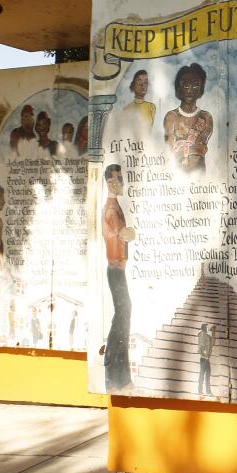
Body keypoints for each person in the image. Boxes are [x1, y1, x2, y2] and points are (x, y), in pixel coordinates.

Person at [102, 164, 135, 390]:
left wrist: (127, 234)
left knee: (123, 317)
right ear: (111, 182)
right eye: (119, 179)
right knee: (122, 317)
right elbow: (120, 234)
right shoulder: (112, 209)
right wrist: (127, 233)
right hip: (115, 270)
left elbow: (123, 235)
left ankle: (119, 377)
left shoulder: (116, 206)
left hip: (117, 270)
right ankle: (115, 376)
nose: (122, 182)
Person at [163, 63, 213, 172]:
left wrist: (181, 146)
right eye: (186, 86)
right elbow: (169, 150)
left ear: (201, 89)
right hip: (177, 174)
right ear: (178, 88)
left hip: (199, 175)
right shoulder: (171, 117)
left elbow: (201, 149)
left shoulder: (206, 117)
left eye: (195, 85)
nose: (190, 90)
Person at [197, 323, 214, 397]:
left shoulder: (207, 336)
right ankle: (201, 390)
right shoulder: (201, 335)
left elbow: (212, 343)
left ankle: (207, 391)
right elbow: (200, 346)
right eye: (206, 328)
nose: (207, 329)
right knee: (202, 375)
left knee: (207, 375)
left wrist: (213, 332)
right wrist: (203, 354)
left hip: (206, 358)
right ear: (203, 328)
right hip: (204, 358)